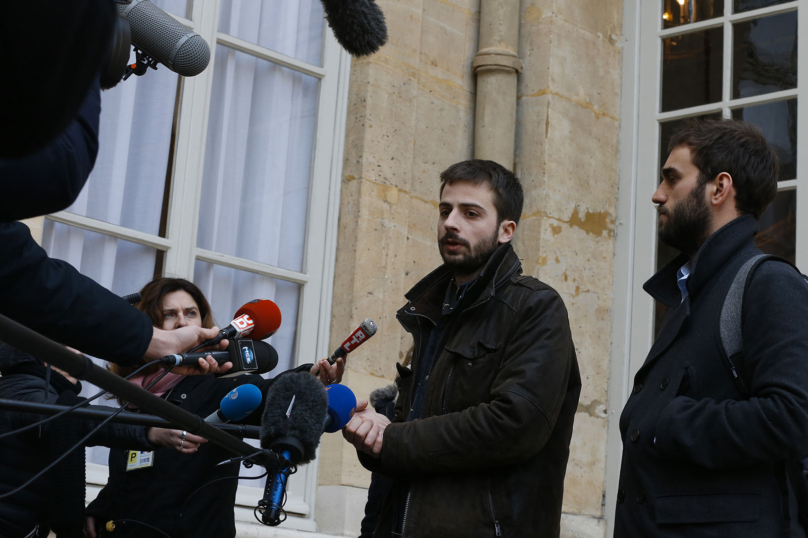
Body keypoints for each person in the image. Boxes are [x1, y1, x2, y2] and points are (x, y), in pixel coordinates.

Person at [342, 159, 581, 538]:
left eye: (471, 213)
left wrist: (395, 438)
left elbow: (515, 425)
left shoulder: (535, 307)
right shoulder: (432, 312)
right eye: (445, 210)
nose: (451, 222)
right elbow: (412, 439)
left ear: (506, 230)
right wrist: (373, 432)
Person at [614, 119, 808, 537]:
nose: (657, 194)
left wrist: (667, 422)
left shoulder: (770, 283)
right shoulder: (693, 289)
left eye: (672, 178)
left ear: (719, 188)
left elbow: (793, 418)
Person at [85, 277, 343, 538]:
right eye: (169, 315)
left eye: (191, 313)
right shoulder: (133, 394)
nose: (183, 322)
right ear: (148, 327)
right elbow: (133, 475)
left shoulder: (219, 386)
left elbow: (269, 393)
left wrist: (310, 377)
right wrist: (103, 506)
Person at [0, 343, 187, 538]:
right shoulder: (21, 390)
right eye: (66, 345)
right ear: (40, 352)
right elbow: (78, 419)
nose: (79, 354)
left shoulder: (30, 387)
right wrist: (149, 430)